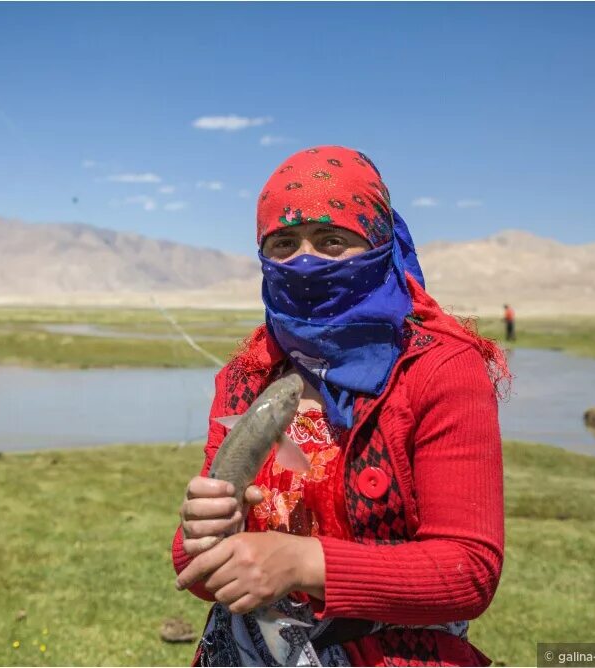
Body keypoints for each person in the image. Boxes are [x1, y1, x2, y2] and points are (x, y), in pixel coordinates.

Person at [172, 146, 508, 666]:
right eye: (283, 243)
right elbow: (195, 569)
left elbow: (467, 571)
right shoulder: (248, 376)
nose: (305, 260)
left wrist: (306, 563)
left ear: (378, 243)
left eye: (332, 240)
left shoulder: (439, 369)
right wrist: (202, 531)